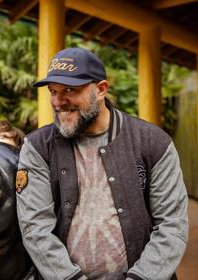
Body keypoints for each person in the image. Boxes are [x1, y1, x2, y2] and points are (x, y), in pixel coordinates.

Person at [16, 47, 188, 280]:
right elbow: (35, 228)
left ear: (101, 90)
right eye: (53, 91)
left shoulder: (153, 143)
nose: (58, 102)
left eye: (69, 90)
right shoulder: (37, 147)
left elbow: (172, 225)